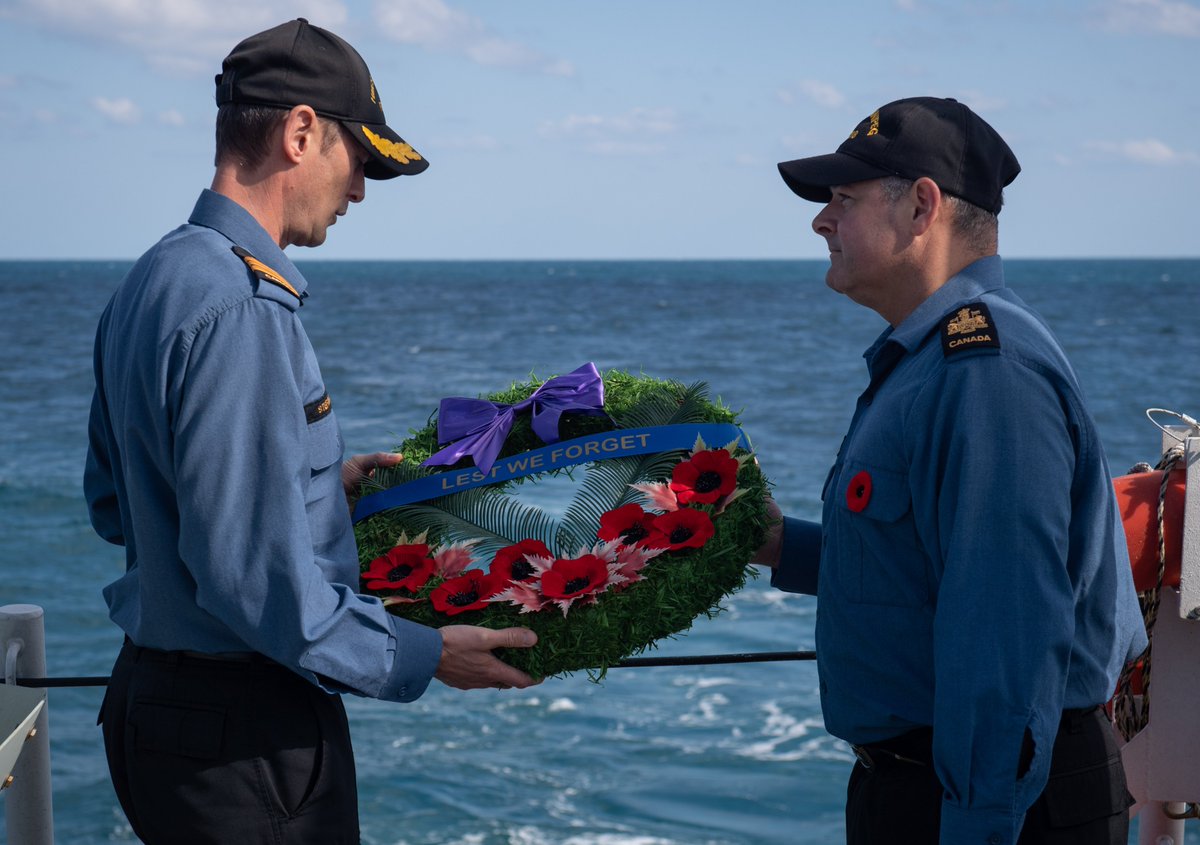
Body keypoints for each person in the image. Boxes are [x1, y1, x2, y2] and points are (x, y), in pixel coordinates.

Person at [83, 19, 537, 844]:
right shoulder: (242, 306)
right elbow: (253, 582)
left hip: (153, 710)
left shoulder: (152, 277)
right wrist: (427, 655)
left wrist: (320, 483)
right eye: (358, 159)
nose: (360, 190)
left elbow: (116, 504)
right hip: (245, 736)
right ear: (300, 133)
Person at [755, 97, 1147, 845]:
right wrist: (779, 545)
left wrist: (976, 824)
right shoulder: (932, 361)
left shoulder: (985, 370)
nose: (820, 221)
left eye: (843, 198)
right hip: (930, 787)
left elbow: (1007, 636)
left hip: (993, 801)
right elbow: (924, 572)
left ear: (922, 205)